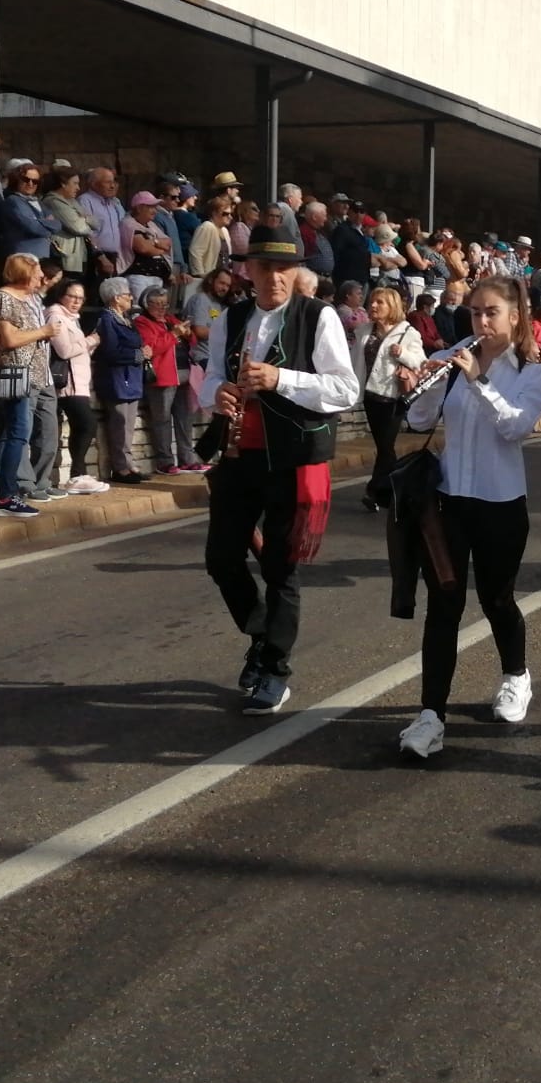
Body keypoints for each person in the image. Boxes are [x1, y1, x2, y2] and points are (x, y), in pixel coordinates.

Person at [200, 219, 358, 715]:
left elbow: (344, 390)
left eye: (285, 268)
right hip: (238, 455)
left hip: (291, 458)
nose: (275, 278)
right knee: (222, 559)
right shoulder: (232, 318)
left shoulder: (319, 316)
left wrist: (280, 379)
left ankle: (276, 668)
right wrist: (218, 393)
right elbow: (208, 379)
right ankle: (263, 632)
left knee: (280, 568)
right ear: (248, 270)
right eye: (266, 267)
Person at [394, 275, 541, 758]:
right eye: (474, 312)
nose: (481, 322)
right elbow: (420, 422)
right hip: (448, 501)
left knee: (496, 599)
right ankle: (430, 716)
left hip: (501, 504)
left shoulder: (534, 369)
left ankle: (516, 675)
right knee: (443, 606)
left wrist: (477, 380)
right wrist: (422, 381)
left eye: (491, 313)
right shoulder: (459, 354)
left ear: (514, 316)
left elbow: (515, 428)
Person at [0, 253, 55, 517]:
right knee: (18, 432)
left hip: (30, 373)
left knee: (9, 431)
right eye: (37, 273)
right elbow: (10, 339)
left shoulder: (29, 298)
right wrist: (44, 332)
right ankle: (6, 494)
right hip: (13, 372)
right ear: (24, 273)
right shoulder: (4, 298)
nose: (41, 278)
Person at [358, 284, 426, 512]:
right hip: (370, 395)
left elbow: (421, 362)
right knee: (384, 447)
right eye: (372, 302)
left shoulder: (407, 332)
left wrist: (403, 354)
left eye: (380, 302)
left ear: (392, 307)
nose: (373, 306)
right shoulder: (364, 330)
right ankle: (392, 492)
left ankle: (374, 490)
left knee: (386, 447)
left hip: (393, 397)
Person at [45, 279, 107, 494]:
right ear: (62, 295)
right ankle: (77, 474)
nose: (76, 302)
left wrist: (90, 345)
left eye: (80, 298)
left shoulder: (73, 319)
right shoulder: (56, 316)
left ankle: (78, 473)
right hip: (67, 384)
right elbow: (64, 350)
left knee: (83, 426)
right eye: (72, 296)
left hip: (79, 380)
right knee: (87, 424)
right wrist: (90, 341)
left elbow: (77, 351)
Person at [135, 287, 201, 474]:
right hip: (162, 378)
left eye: (165, 303)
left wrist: (187, 333)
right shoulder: (142, 322)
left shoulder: (170, 319)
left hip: (184, 375)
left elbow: (193, 339)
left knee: (184, 419)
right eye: (158, 304)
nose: (163, 308)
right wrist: (174, 335)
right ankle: (165, 462)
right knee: (162, 420)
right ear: (147, 304)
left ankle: (187, 458)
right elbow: (151, 348)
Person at [92, 276, 149, 484]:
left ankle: (128, 463)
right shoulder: (107, 319)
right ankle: (120, 467)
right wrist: (139, 355)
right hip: (116, 379)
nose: (131, 298)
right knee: (119, 423)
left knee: (128, 424)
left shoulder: (125, 319)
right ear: (116, 298)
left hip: (131, 377)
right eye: (127, 295)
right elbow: (111, 351)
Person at [43, 168, 95, 286]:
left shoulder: (72, 201)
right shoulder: (53, 201)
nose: (78, 188)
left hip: (78, 256)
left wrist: (84, 219)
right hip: (65, 257)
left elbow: (97, 223)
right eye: (75, 183)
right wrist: (86, 220)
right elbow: (78, 227)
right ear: (63, 183)